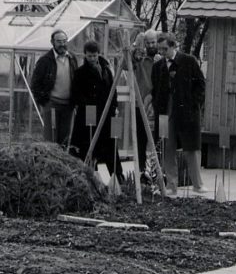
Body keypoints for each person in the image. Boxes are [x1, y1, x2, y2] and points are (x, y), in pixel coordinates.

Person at [151, 32, 208, 195]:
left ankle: (198, 184)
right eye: (159, 49)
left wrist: (194, 103)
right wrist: (156, 106)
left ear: (173, 46)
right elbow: (155, 90)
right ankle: (171, 185)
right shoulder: (158, 67)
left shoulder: (189, 61)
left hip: (186, 111)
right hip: (165, 112)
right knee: (167, 147)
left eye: (164, 49)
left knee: (192, 147)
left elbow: (201, 84)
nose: (161, 52)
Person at [72, 40, 123, 180]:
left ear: (99, 54)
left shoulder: (106, 69)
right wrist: (88, 106)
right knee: (89, 145)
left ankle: (117, 177)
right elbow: (76, 94)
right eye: (89, 56)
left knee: (110, 146)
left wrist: (114, 107)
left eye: (95, 55)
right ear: (85, 55)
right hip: (90, 115)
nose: (92, 59)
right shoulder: (80, 73)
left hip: (106, 114)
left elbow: (113, 90)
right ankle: (92, 177)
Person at [30, 29, 78, 150]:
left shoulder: (72, 58)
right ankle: (49, 163)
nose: (62, 44)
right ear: (52, 42)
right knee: (50, 138)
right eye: (58, 41)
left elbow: (76, 79)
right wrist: (43, 101)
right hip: (51, 104)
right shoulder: (45, 61)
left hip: (68, 105)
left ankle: (61, 164)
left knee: (64, 139)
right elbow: (35, 84)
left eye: (64, 41)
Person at [131, 30, 158, 174]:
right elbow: (125, 65)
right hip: (140, 104)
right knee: (141, 140)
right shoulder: (140, 59)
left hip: (157, 105)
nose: (151, 45)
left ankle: (156, 172)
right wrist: (136, 45)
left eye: (153, 42)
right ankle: (141, 171)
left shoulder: (161, 59)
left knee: (157, 140)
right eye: (148, 43)